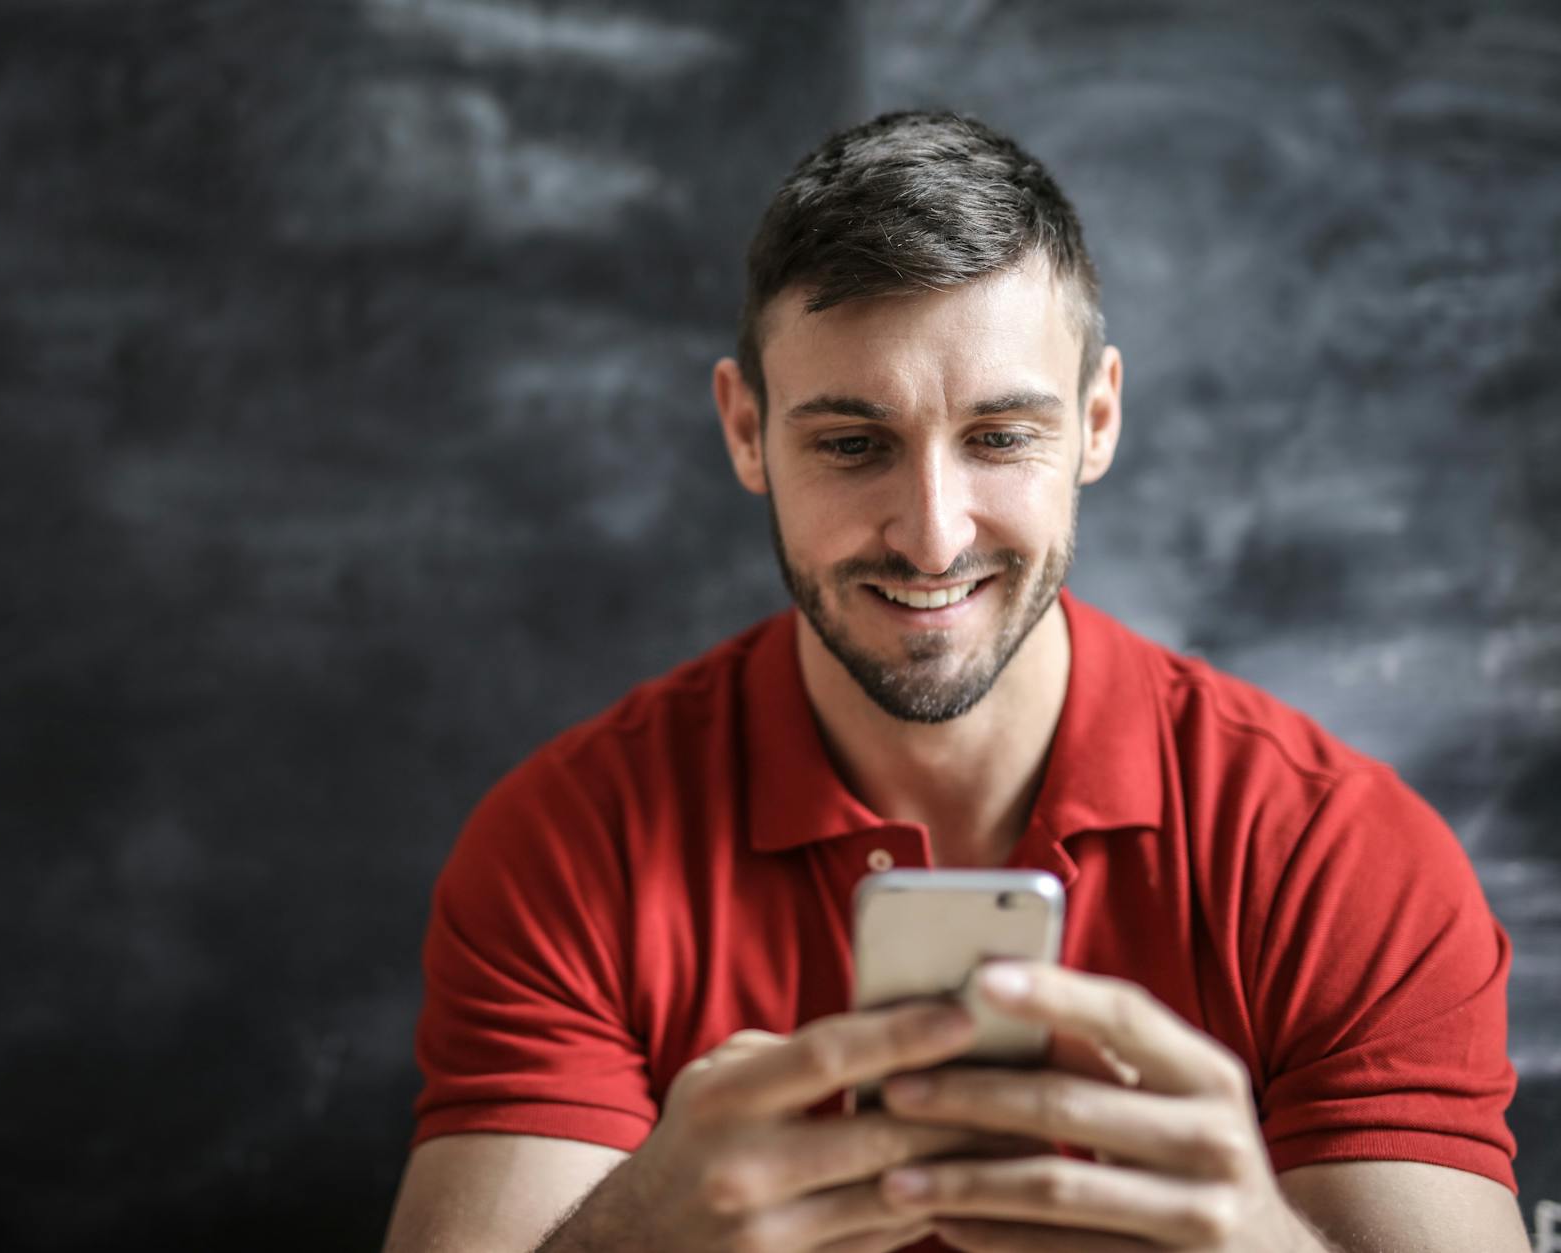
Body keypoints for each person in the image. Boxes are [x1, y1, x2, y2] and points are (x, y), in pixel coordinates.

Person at [381, 111, 1525, 1252]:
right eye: (849, 444)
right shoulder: (564, 843)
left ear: (1095, 419)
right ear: (744, 430)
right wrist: (631, 1238)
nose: (930, 538)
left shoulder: (1339, 858)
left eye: (997, 435)